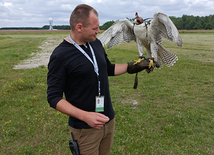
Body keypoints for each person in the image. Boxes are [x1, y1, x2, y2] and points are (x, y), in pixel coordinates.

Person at [47, 4, 158, 155]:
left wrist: (133, 66)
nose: (98, 31)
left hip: (108, 120)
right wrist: (85, 116)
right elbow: (53, 97)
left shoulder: (96, 43)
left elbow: (108, 69)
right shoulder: (60, 56)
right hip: (84, 128)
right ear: (79, 27)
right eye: (95, 28)